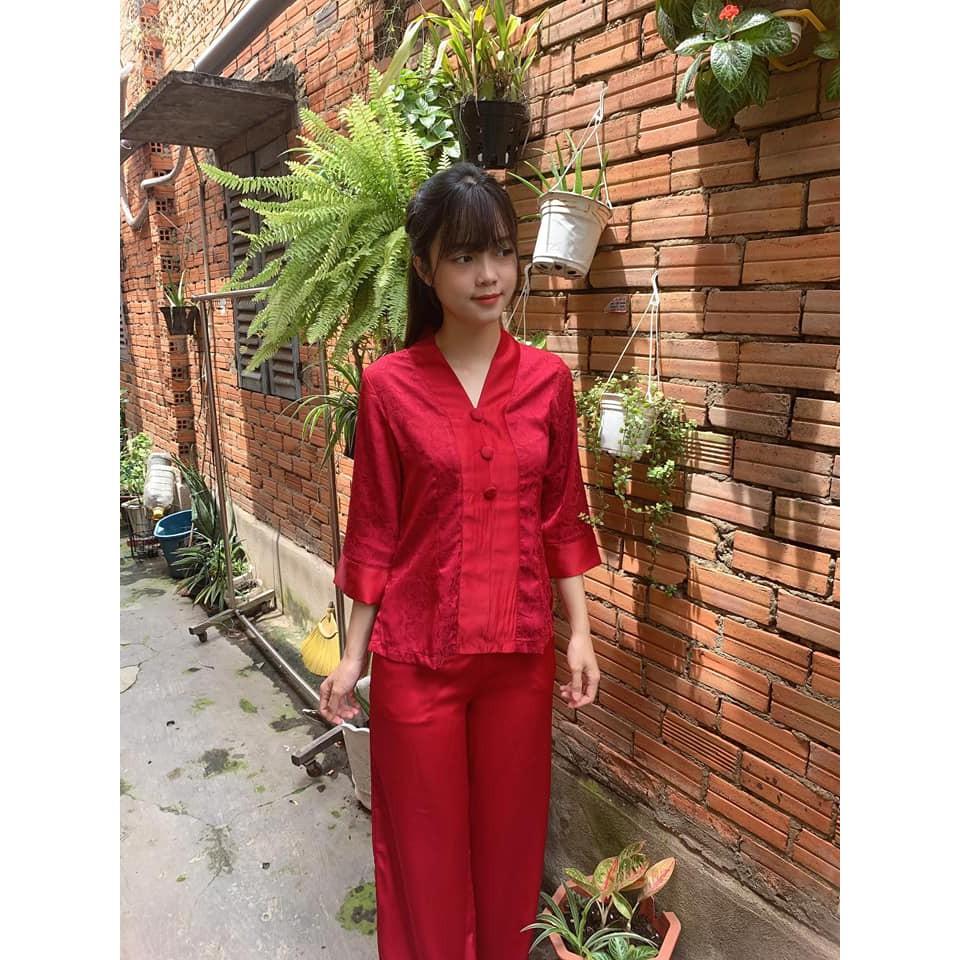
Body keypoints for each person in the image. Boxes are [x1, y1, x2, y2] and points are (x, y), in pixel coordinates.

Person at [318, 161, 602, 960]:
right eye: (465, 257)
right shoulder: (389, 388)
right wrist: (352, 657)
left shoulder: (548, 382)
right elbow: (375, 529)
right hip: (418, 662)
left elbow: (561, 514)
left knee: (511, 854)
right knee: (425, 858)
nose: (489, 276)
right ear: (424, 267)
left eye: (502, 252)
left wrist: (580, 633)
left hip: (518, 660)